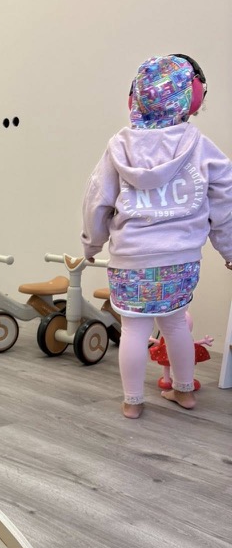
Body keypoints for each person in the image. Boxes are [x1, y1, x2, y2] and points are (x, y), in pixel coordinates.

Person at [81, 54, 232, 418]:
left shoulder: (119, 146)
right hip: (179, 258)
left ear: (135, 98)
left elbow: (97, 199)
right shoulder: (201, 146)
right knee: (176, 322)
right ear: (191, 99)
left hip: (131, 257)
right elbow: (224, 200)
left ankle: (132, 402)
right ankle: (184, 392)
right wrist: (229, 248)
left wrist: (92, 242)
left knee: (134, 327)